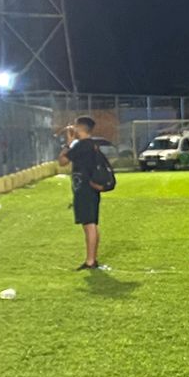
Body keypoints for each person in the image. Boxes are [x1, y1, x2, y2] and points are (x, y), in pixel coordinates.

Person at [58, 115, 109, 270]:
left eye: (75, 126)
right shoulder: (92, 145)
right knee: (91, 223)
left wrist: (68, 142)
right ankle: (92, 259)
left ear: (80, 128)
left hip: (85, 189)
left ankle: (90, 261)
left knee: (89, 224)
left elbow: (62, 161)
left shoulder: (81, 146)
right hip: (91, 188)